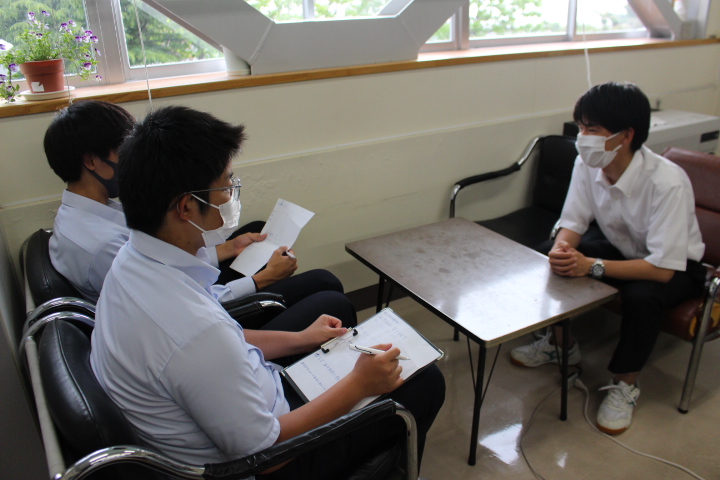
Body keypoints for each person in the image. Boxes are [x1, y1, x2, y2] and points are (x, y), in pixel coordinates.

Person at [89, 105, 445, 478]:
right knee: (425, 383)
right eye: (225, 185)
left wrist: (301, 338)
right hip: (264, 463)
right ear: (187, 206)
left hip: (249, 400)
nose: (231, 195)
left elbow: (223, 341)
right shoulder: (190, 331)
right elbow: (267, 454)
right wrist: (358, 385)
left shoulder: (134, 263)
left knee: (335, 319)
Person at [510, 82, 706, 434]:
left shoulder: (667, 182)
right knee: (547, 257)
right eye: (581, 128)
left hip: (674, 267)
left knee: (641, 296)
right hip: (623, 249)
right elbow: (573, 222)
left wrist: (590, 266)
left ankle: (625, 383)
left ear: (625, 135)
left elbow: (662, 269)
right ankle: (561, 346)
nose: (582, 138)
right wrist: (562, 249)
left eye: (592, 130)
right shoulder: (587, 164)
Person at [44, 100, 341, 306]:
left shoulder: (89, 212)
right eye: (126, 149)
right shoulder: (103, 248)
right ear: (91, 160)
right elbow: (187, 300)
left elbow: (167, 260)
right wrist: (261, 280)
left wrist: (227, 249)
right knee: (325, 288)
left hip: (180, 290)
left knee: (255, 232)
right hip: (199, 306)